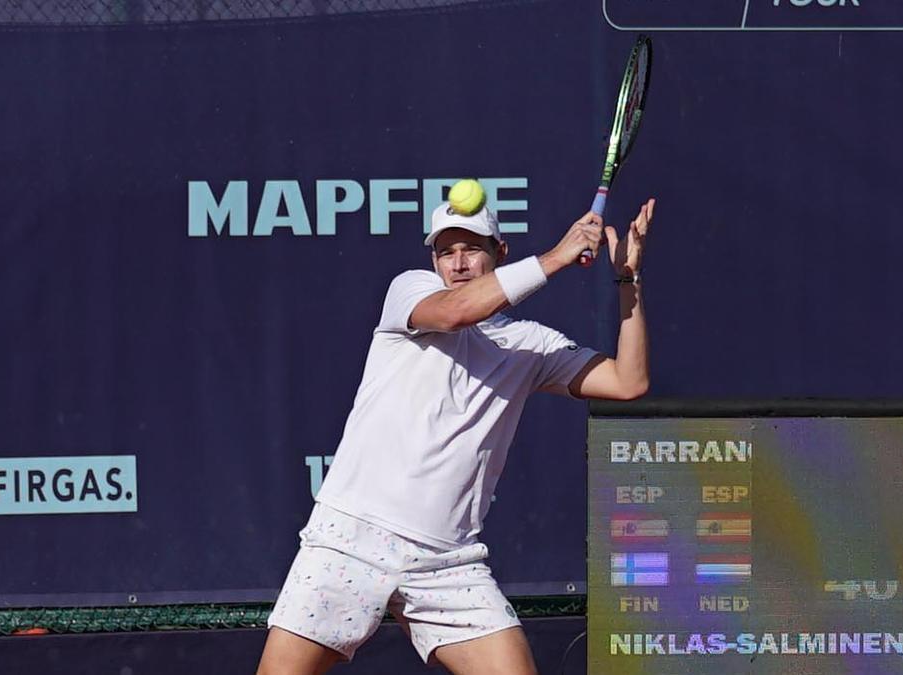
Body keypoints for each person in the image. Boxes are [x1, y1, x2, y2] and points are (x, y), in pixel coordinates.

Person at [256, 197, 656, 675]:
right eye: (447, 252)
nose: (460, 262)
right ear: (434, 261)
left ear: (499, 252)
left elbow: (628, 382)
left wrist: (627, 280)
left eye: (472, 249)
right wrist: (556, 257)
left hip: (448, 560)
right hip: (352, 537)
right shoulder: (411, 292)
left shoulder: (532, 345)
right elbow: (456, 313)